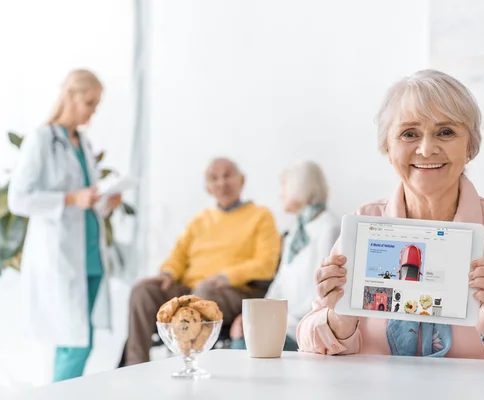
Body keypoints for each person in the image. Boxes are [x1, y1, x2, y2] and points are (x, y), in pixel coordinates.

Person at [296, 69, 484, 362]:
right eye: (409, 134)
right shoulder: (362, 223)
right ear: (388, 148)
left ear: (470, 146)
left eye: (446, 132)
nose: (427, 149)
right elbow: (307, 340)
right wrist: (339, 319)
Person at [8, 69, 123, 381]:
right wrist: (71, 199)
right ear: (70, 96)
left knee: (79, 340)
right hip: (60, 257)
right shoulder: (41, 140)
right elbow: (19, 199)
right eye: (89, 102)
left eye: (97, 104)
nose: (93, 111)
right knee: (74, 342)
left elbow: (88, 198)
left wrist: (104, 202)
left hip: (90, 256)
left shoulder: (82, 143)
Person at [123, 158, 281, 365]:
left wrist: (224, 277)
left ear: (241, 180)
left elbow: (266, 264)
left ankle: (190, 364)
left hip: (233, 291)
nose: (222, 183)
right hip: (192, 288)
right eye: (214, 178)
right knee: (142, 291)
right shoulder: (200, 220)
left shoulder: (261, 216)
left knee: (202, 295)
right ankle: (135, 367)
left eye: (228, 175)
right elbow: (178, 255)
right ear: (208, 188)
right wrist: (167, 273)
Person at [229, 161, 340, 351]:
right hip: (283, 323)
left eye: (284, 186)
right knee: (242, 334)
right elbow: (279, 284)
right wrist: (253, 314)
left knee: (244, 345)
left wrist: (275, 321)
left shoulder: (329, 228)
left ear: (300, 186)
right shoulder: (295, 231)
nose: (281, 193)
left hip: (304, 328)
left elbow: (324, 293)